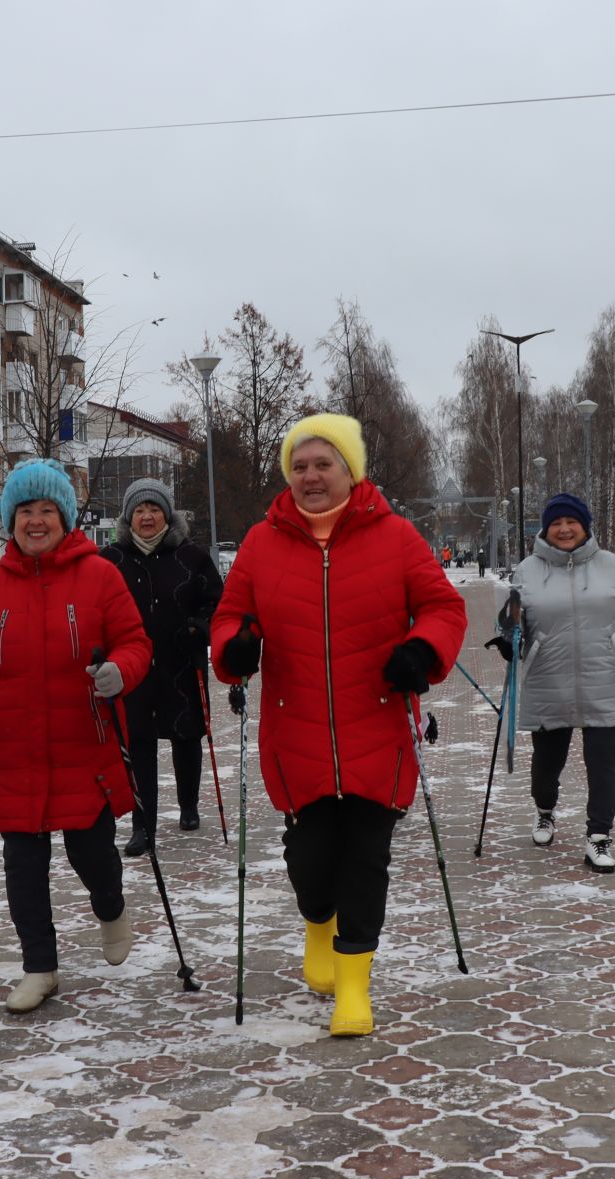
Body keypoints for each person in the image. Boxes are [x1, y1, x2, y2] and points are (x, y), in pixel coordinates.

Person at [211, 414, 466, 1038]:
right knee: (310, 859)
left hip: (377, 727)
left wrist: (421, 651)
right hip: (294, 733)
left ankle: (355, 987)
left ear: (350, 471)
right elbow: (229, 619)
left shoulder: (397, 537)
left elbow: (442, 607)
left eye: (323, 464)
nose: (311, 476)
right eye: (299, 466)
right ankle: (316, 924)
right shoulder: (260, 543)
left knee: (365, 860)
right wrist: (237, 648)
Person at [0, 459, 152, 1013]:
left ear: (64, 518)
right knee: (23, 865)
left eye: (45, 510)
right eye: (24, 510)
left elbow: (135, 643)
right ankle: (39, 966)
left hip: (83, 743)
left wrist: (119, 671)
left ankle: (111, 907)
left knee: (91, 852)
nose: (34, 520)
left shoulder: (100, 575)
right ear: (11, 520)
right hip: (16, 748)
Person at [490, 492, 615, 874]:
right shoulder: (528, 570)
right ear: (546, 529)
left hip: (601, 679)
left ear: (585, 526)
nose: (564, 529)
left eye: (572, 522)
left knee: (604, 764)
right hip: (547, 680)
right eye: (556, 523)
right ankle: (545, 810)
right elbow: (511, 617)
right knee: (546, 765)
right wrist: (507, 637)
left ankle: (599, 836)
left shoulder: (610, 565)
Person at [100, 479, 223, 858]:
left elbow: (217, 603)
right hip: (131, 668)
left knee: (186, 737)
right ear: (128, 517)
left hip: (181, 661)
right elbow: (95, 607)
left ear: (167, 515)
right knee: (138, 743)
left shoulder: (193, 557)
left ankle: (188, 805)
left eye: (154, 509)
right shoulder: (111, 560)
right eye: (139, 510)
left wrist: (199, 629)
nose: (147, 516)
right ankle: (143, 826)